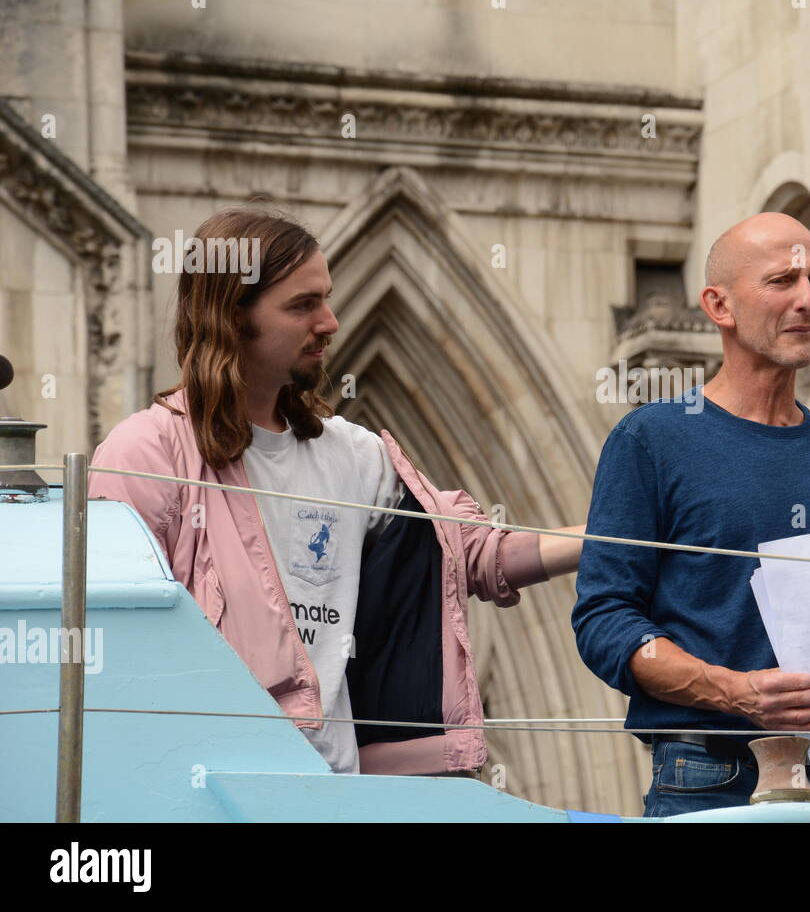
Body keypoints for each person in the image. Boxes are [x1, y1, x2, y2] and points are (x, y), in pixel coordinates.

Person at [90, 208, 584, 776]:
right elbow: (114, 644)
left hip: (335, 794)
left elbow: (472, 553)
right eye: (302, 305)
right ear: (229, 316)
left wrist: (619, 537)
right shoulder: (145, 452)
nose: (330, 321)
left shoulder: (355, 454)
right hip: (206, 791)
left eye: (326, 298)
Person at [572, 213, 810, 817]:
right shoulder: (650, 440)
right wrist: (735, 691)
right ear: (719, 305)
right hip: (709, 776)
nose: (807, 301)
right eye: (782, 282)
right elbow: (604, 620)